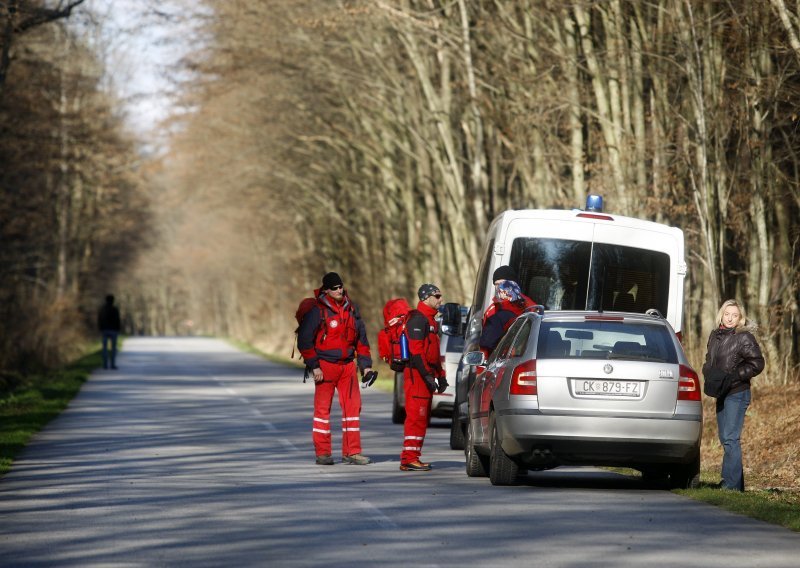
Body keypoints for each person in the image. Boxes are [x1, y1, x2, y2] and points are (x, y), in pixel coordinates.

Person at [298, 272, 373, 466]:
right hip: (324, 366)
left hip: (348, 366)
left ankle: (352, 452)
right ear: (326, 290)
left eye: (340, 286)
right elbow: (305, 341)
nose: (339, 290)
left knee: (353, 409)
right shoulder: (318, 311)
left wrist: (366, 367)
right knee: (323, 410)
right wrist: (314, 366)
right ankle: (323, 453)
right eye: (334, 288)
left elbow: (361, 341)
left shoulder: (351, 309)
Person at [702, 299, 765, 491]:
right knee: (725, 438)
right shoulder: (715, 335)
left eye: (734, 315)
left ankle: (730, 485)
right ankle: (736, 484)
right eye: (727, 314)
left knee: (730, 438)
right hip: (722, 392)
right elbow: (709, 359)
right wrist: (708, 371)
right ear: (722, 314)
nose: (730, 318)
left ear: (740, 319)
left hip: (737, 393)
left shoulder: (744, 337)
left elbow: (757, 363)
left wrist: (735, 376)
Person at [399, 283, 448, 471]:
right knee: (416, 418)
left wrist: (441, 376)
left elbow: (433, 353)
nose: (440, 299)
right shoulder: (418, 320)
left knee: (422, 417)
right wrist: (427, 375)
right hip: (416, 377)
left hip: (425, 377)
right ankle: (409, 458)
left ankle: (412, 456)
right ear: (426, 298)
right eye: (436, 296)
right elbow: (417, 352)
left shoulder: (431, 321)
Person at [479, 266, 536, 358]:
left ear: (512, 284)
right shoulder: (492, 309)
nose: (498, 288)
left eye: (502, 283)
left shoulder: (530, 307)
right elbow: (486, 342)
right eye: (496, 284)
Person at [97, 294, 121, 370]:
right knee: (113, 348)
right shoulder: (115, 309)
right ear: (113, 300)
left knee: (104, 348)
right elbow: (118, 320)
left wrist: (100, 328)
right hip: (113, 330)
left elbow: (99, 320)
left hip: (104, 330)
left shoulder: (102, 309)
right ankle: (112, 364)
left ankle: (105, 364)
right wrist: (118, 329)